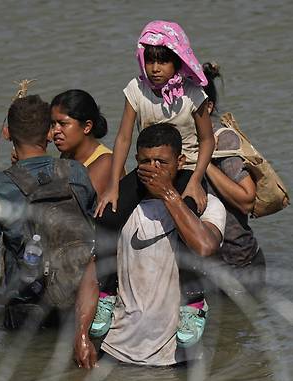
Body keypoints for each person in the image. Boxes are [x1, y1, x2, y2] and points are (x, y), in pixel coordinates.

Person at [89, 21, 216, 340]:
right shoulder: (136, 89)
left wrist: (196, 181)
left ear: (178, 61)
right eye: (151, 60)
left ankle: (194, 303)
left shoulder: (192, 94)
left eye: (163, 60)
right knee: (106, 216)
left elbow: (207, 140)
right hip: (146, 169)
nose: (156, 68)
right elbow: (122, 138)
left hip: (183, 169)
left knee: (188, 221)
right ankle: (108, 293)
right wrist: (114, 183)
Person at [75, 123, 225, 367]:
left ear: (180, 161)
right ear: (136, 161)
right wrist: (81, 335)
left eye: (162, 163)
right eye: (146, 162)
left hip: (175, 357)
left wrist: (167, 194)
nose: (153, 169)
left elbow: (205, 247)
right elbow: (93, 271)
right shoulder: (118, 206)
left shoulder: (206, 204)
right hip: (115, 350)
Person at [0, 95, 96, 329]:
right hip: (77, 301)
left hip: (26, 308)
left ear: (7, 133)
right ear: (49, 133)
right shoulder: (76, 172)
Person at [202, 62, 266, 295]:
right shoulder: (180, 142)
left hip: (239, 263)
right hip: (205, 266)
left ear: (208, 107)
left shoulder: (224, 140)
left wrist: (205, 163)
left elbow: (247, 200)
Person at [50, 89, 114, 196]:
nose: (55, 130)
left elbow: (81, 206)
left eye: (63, 124)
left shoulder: (107, 162)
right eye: (53, 124)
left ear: (87, 127)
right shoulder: (67, 155)